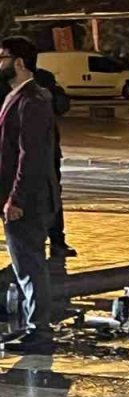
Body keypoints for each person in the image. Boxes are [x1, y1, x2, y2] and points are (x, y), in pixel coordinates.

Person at [0, 36, 61, 353]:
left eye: (2, 57)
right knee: (24, 265)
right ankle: (30, 326)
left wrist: (17, 199)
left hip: (29, 201)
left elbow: (31, 155)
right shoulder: (18, 96)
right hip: (21, 198)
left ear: (19, 62)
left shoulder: (33, 100)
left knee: (30, 266)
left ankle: (38, 332)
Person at [32, 66, 73, 259]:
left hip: (46, 151)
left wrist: (50, 95)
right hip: (16, 152)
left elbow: (62, 105)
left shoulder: (43, 79)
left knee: (51, 195)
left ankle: (57, 241)